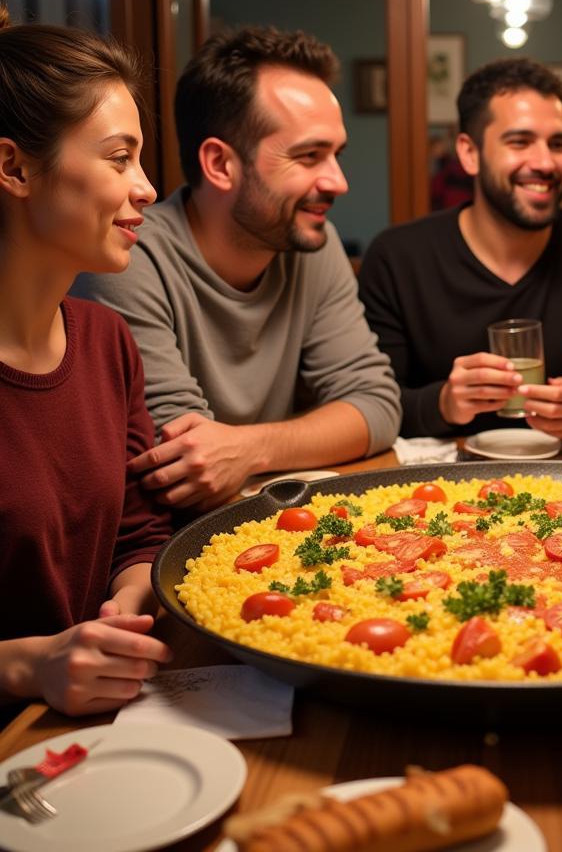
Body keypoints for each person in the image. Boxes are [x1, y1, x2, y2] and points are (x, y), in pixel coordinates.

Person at [76, 27, 401, 514]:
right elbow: (185, 458)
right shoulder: (126, 255)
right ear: (220, 163)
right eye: (309, 156)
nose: (338, 182)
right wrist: (292, 440)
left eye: (337, 155)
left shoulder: (314, 240)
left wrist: (251, 448)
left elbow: (376, 405)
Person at [0, 11, 173, 716]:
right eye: (118, 158)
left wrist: (128, 606)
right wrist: (30, 664)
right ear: (14, 167)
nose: (147, 188)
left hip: (99, 720)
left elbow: (139, 530)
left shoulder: (106, 340)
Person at [358, 58, 562, 439]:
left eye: (558, 144)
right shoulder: (398, 258)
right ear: (469, 153)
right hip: (436, 490)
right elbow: (371, 405)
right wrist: (444, 402)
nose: (545, 162)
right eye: (520, 142)